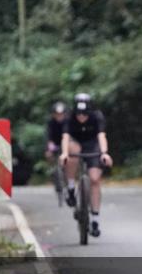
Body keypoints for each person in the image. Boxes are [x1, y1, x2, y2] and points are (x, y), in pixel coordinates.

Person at [59, 93, 113, 237]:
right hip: (75, 143)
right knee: (72, 152)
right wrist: (64, 153)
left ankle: (95, 219)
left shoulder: (97, 116)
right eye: (79, 114)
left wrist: (104, 153)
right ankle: (71, 187)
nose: (81, 117)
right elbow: (65, 137)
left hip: (92, 145)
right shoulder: (69, 117)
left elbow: (101, 136)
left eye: (85, 114)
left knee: (95, 179)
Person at [45, 101, 69, 195]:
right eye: (57, 114)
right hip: (55, 143)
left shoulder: (68, 122)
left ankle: (67, 175)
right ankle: (54, 172)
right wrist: (48, 149)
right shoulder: (51, 122)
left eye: (61, 114)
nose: (59, 116)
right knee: (51, 156)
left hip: (66, 143)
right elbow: (48, 136)